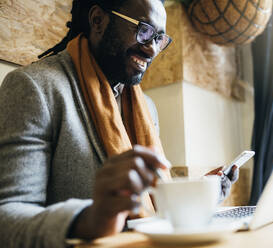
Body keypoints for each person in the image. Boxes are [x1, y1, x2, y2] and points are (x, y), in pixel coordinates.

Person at [0, 0, 239, 247]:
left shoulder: (147, 107)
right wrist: (88, 219)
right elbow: (6, 218)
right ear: (98, 20)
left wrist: (201, 194)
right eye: (143, 30)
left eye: (159, 38)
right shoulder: (35, 88)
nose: (152, 49)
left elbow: (151, 205)